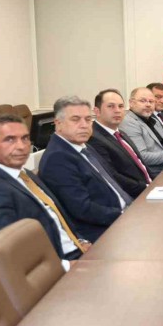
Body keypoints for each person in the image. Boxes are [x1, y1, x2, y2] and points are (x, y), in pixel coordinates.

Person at [0, 114, 88, 261]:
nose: (22, 147)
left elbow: (56, 216)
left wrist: (81, 242)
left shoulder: (23, 173)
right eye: (10, 139)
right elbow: (9, 252)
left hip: (77, 251)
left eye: (25, 138)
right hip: (56, 267)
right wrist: (65, 266)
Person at [38, 96, 134, 243]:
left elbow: (111, 180)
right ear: (58, 124)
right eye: (75, 119)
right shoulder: (57, 158)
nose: (84, 125)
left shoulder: (83, 146)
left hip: (125, 213)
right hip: (104, 231)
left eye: (88, 119)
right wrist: (124, 215)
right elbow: (83, 209)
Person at [88, 89, 151, 199]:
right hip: (133, 197)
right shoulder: (93, 138)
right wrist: (147, 188)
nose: (117, 111)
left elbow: (141, 165)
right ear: (97, 111)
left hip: (149, 188)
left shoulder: (121, 133)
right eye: (111, 106)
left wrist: (156, 182)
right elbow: (111, 176)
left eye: (121, 106)